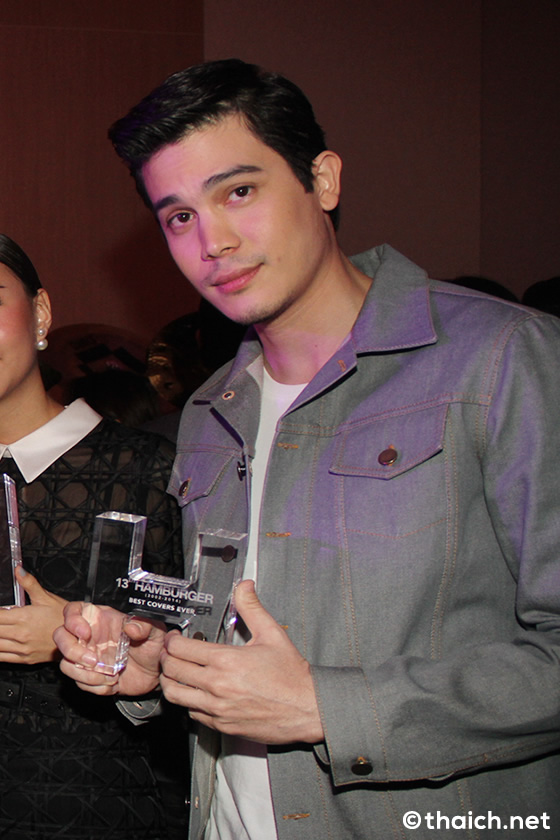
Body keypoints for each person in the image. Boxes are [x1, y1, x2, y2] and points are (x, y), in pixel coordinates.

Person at [55, 59, 560, 840]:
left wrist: (326, 707)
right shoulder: (208, 412)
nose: (213, 242)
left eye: (239, 192)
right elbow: (240, 639)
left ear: (322, 180)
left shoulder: (501, 359)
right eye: (179, 216)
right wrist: (158, 664)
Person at [0, 234, 186, 839]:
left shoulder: (151, 469)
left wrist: (79, 640)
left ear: (40, 314)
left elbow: (201, 657)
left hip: (100, 806)